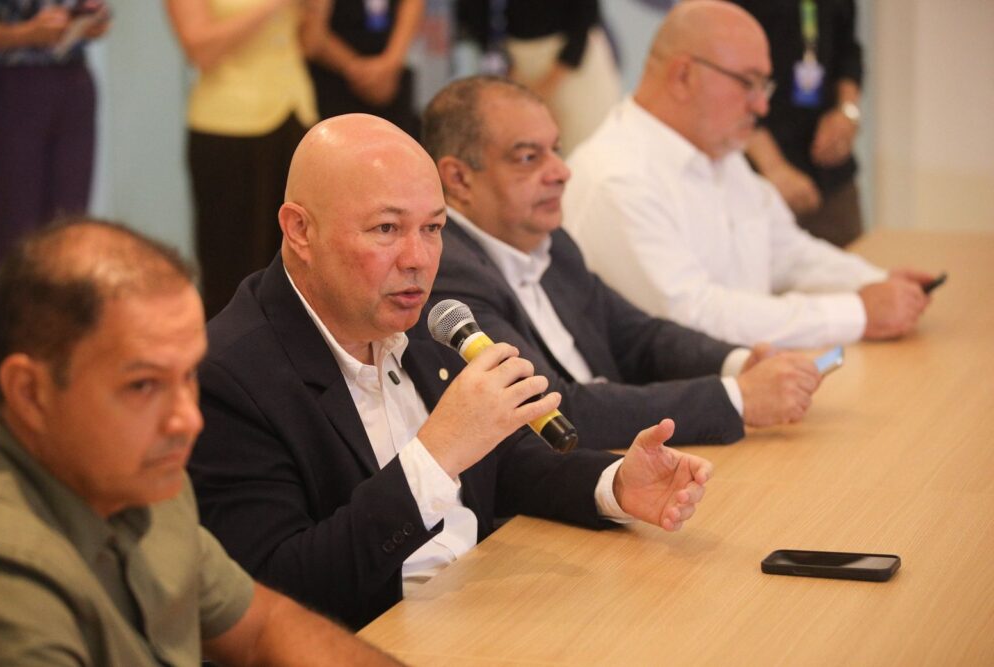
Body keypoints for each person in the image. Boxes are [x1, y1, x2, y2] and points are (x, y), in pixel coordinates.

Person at [188, 113, 714, 630]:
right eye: (387, 228)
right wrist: (438, 453)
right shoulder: (228, 377)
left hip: (485, 607)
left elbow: (502, 464)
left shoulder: (418, 316)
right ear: (300, 230)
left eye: (433, 228)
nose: (418, 259)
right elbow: (277, 594)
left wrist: (614, 484)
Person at [0, 219, 397, 665]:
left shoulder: (137, 476)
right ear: (30, 394)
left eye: (189, 375)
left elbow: (262, 626)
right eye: (143, 386)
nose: (188, 420)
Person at [422, 75, 821, 450]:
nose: (561, 172)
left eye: (556, 150)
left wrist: (738, 362)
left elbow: (638, 337)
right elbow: (551, 411)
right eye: (528, 157)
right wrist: (738, 397)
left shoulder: (552, 243)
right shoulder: (448, 274)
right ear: (458, 179)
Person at [563, 0, 935, 349]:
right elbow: (694, 318)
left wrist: (875, 281)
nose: (761, 105)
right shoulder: (618, 178)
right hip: (684, 395)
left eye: (764, 85)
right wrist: (857, 313)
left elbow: (786, 253)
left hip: (744, 379)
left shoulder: (718, 153)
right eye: (748, 83)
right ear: (683, 76)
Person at [165, 0, 330, 318]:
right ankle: (226, 347)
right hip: (228, 124)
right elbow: (200, 50)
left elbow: (310, 44)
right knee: (231, 264)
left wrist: (318, 8)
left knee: (299, 257)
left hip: (297, 114)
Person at [0, 0, 110, 262]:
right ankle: (17, 291)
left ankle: (67, 289)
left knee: (71, 227)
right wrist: (25, 33)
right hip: (10, 83)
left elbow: (97, 15)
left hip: (73, 80)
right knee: (16, 233)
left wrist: (90, 17)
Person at [735, 0, 866, 247]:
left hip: (828, 167)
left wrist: (846, 112)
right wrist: (772, 166)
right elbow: (726, 81)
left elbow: (848, 50)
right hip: (755, 166)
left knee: (849, 260)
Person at [456, 0, 621, 154]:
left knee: (591, 146)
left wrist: (548, 85)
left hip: (575, 61)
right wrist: (512, 75)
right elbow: (474, 14)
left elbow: (584, 15)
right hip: (514, 62)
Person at [308, 0, 423, 137]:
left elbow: (411, 4)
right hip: (333, 80)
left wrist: (391, 62)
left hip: (391, 79)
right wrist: (354, 68)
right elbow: (311, 33)